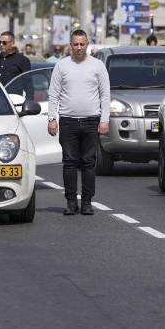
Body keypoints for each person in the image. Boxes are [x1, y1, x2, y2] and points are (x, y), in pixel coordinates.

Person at [47, 29, 111, 216]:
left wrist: (104, 120)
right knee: (69, 162)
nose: (79, 47)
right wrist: (52, 119)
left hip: (91, 121)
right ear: (70, 45)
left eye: (82, 44)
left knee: (89, 162)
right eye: (75, 44)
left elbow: (105, 94)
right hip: (68, 121)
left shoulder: (98, 66)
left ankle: (87, 202)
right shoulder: (61, 66)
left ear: (87, 45)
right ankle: (71, 201)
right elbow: (54, 94)